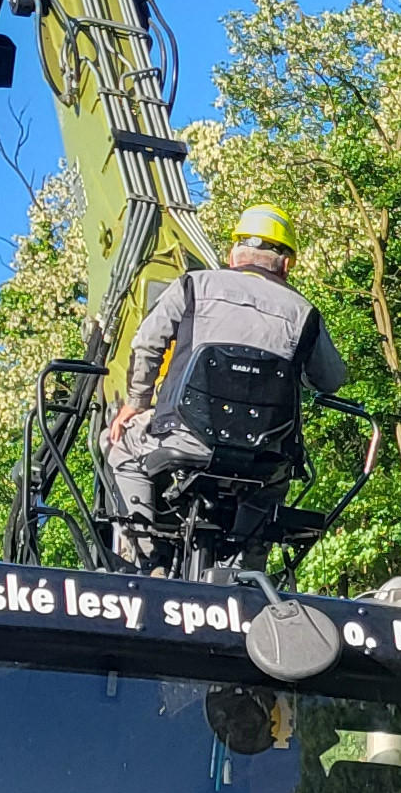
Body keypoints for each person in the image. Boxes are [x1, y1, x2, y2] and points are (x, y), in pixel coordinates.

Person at [102, 205, 350, 550]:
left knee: (118, 443)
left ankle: (146, 558)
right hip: (265, 456)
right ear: (287, 264)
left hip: (186, 439)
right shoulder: (304, 312)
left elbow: (147, 342)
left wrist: (136, 402)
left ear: (233, 254)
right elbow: (332, 380)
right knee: (275, 483)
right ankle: (246, 567)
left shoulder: (192, 285)